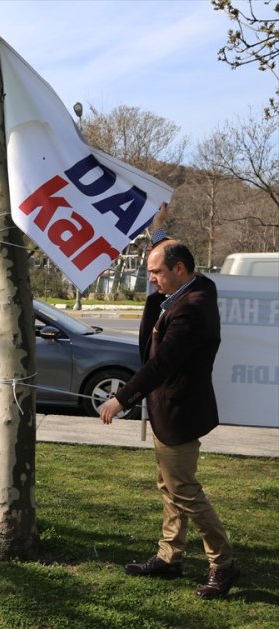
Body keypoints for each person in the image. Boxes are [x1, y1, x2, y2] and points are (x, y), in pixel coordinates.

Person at [98, 204, 239, 600]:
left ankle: (223, 565)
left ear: (178, 270)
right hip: (169, 410)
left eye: (157, 272)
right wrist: (158, 232)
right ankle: (168, 557)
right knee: (170, 485)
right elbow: (169, 252)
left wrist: (120, 398)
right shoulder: (195, 285)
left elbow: (161, 364)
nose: (151, 279)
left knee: (185, 491)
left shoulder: (192, 310)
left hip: (179, 411)